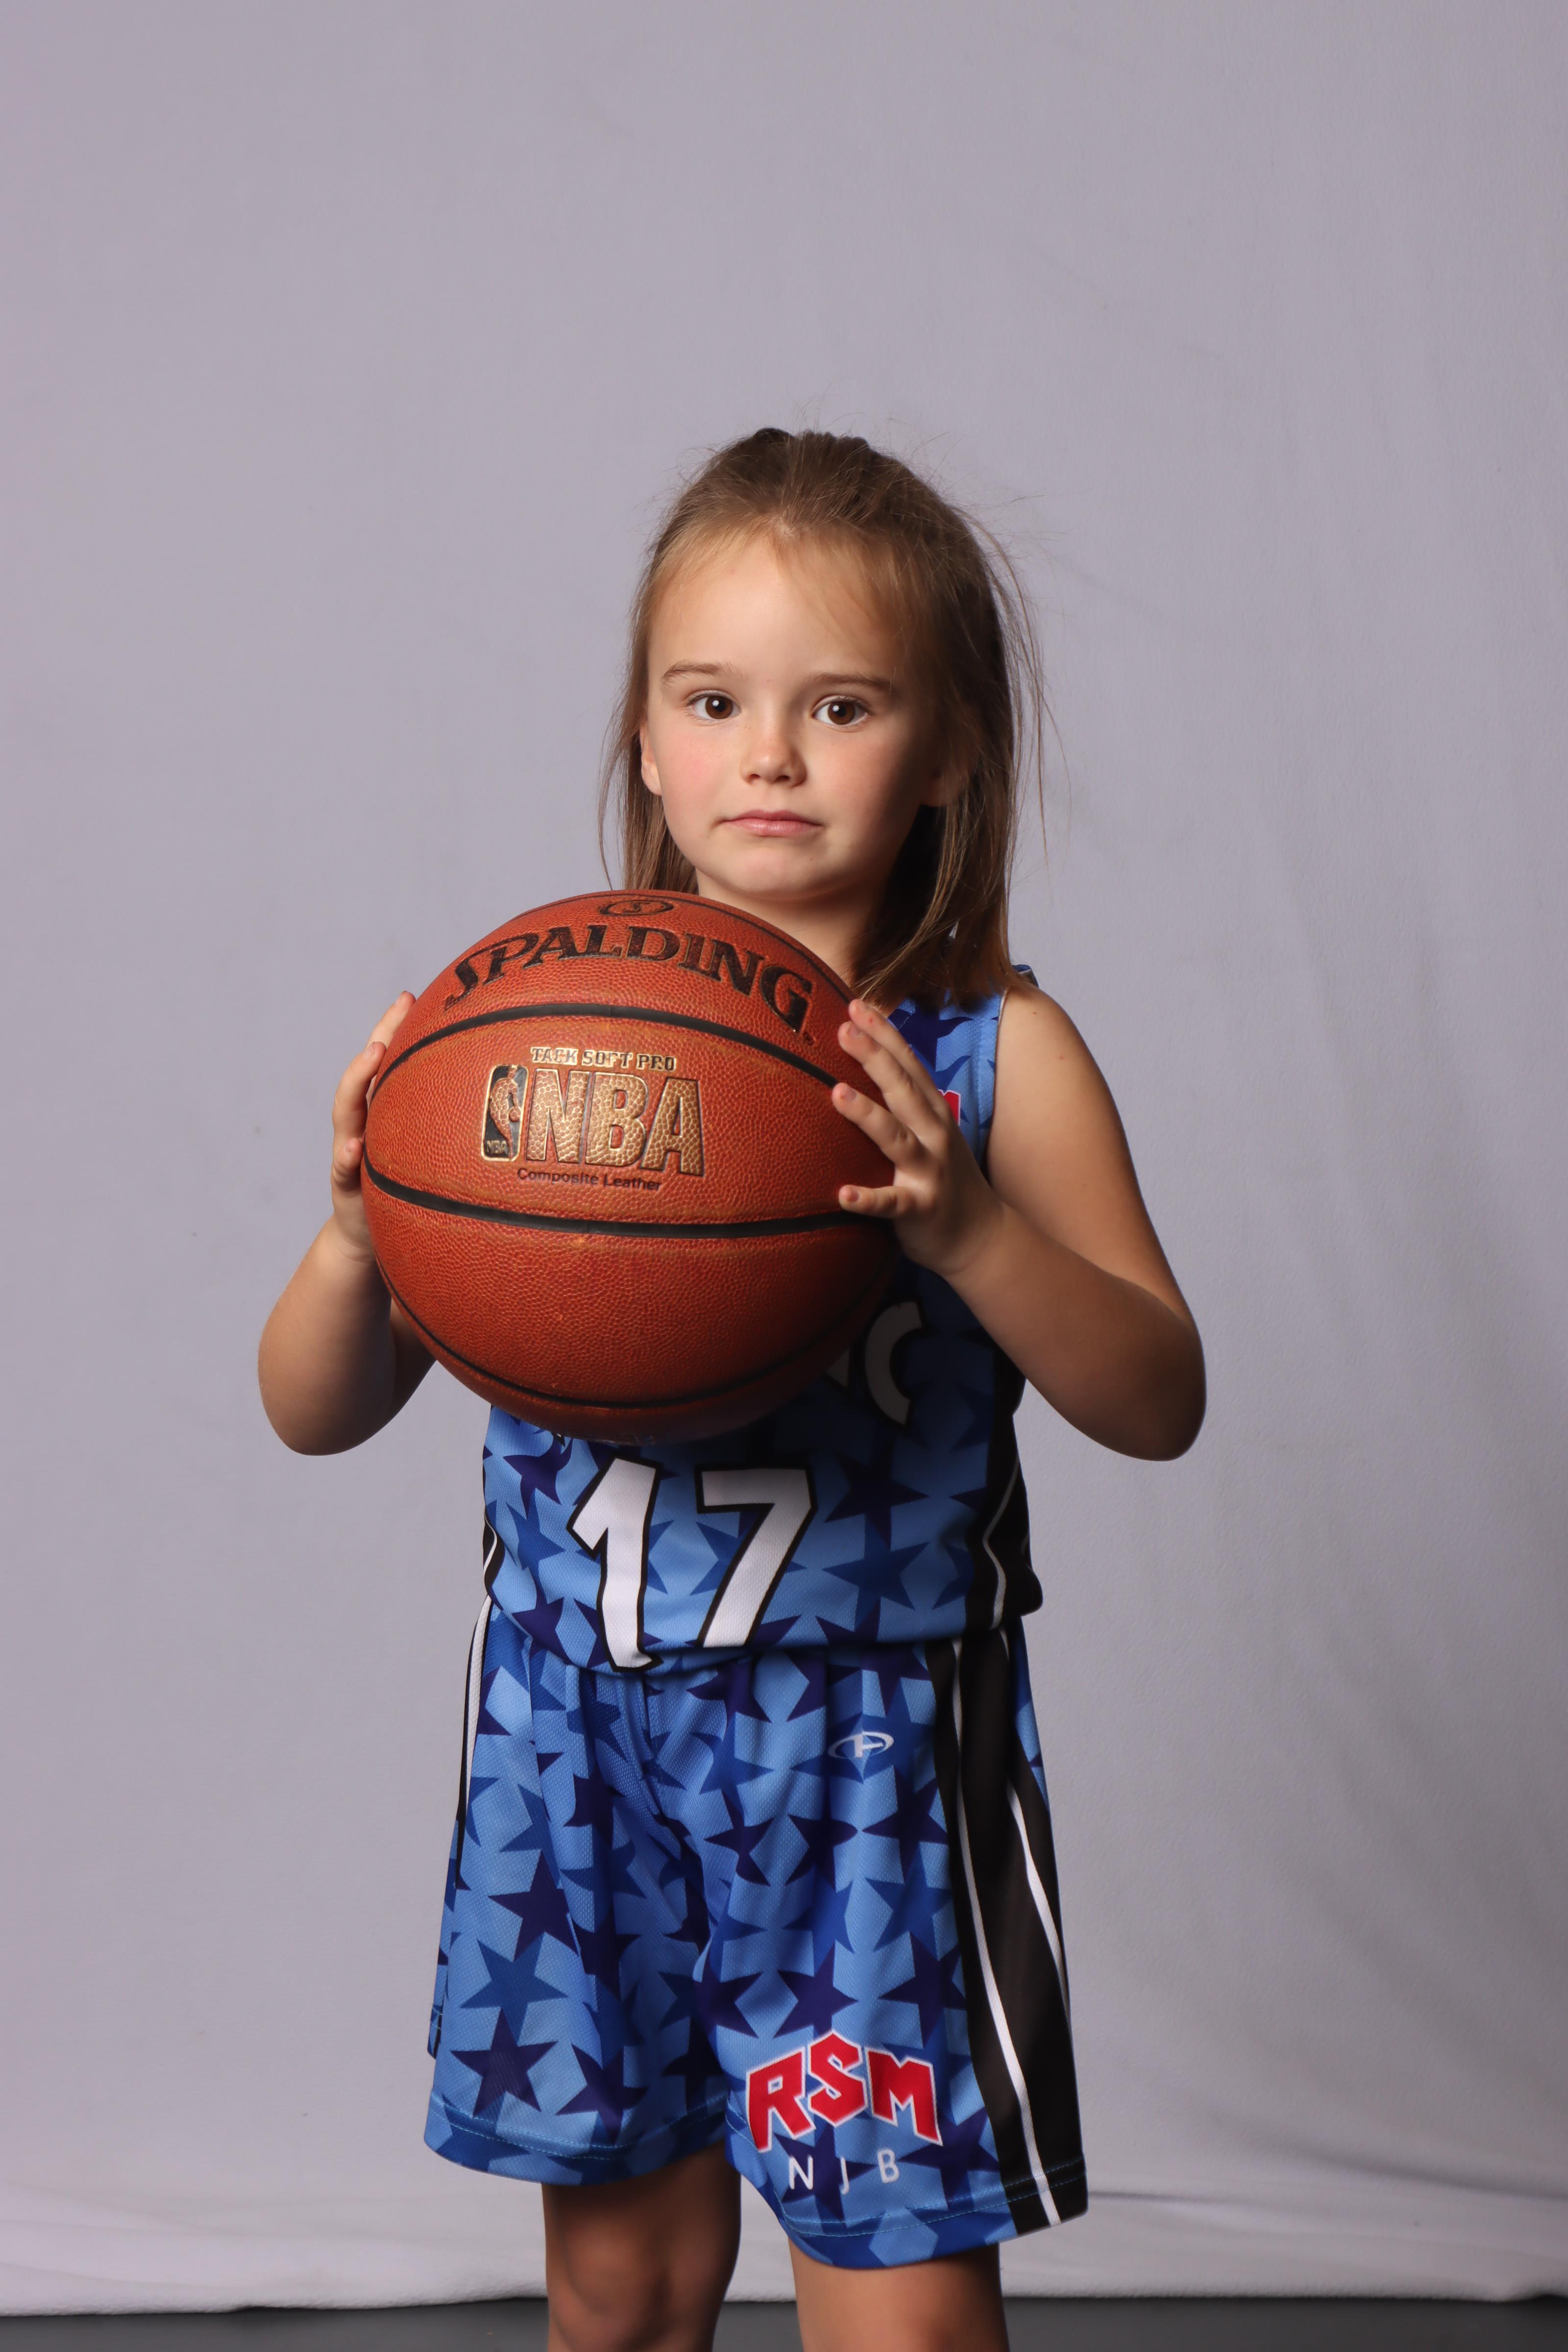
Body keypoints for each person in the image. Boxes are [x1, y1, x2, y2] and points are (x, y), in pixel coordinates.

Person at [259, 429, 1205, 2352]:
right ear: (644, 736)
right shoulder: (526, 1050)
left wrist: (971, 1236)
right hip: (572, 1732)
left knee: (902, 2319)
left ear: (946, 753)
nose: (768, 755)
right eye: (714, 701)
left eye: (838, 706)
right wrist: (363, 1236)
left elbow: (1156, 1392)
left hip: (868, 1751)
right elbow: (312, 1407)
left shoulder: (992, 1053)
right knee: (619, 2293)